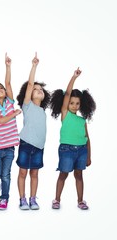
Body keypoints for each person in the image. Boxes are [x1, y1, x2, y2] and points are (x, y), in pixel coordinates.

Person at [50, 67, 96, 210]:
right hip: (67, 150)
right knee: (63, 174)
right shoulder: (65, 114)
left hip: (81, 150)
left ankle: (80, 201)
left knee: (79, 176)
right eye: (71, 103)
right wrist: (74, 77)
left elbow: (87, 139)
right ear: (67, 103)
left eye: (77, 103)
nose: (74, 106)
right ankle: (56, 199)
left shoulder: (82, 120)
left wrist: (88, 156)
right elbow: (68, 92)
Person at [15, 52, 50, 210]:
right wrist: (34, 66)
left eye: (41, 90)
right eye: (36, 89)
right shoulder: (27, 105)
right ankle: (22, 199)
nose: (39, 90)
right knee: (23, 172)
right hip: (26, 143)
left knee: (34, 174)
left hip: (39, 147)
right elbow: (30, 84)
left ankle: (33, 199)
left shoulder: (43, 111)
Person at [0, 53, 21, 210]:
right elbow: (0, 120)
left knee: (5, 175)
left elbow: (8, 81)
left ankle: (4, 199)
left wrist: (8, 66)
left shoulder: (9, 101)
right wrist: (14, 114)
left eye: (1, 88)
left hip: (9, 148)